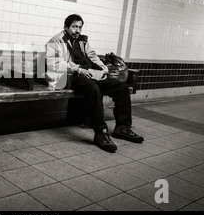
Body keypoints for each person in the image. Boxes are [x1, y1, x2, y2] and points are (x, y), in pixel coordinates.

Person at [45, 14, 144, 153]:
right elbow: (55, 63)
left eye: (80, 27)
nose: (77, 30)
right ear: (66, 27)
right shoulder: (56, 41)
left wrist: (102, 67)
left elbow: (92, 56)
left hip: (89, 73)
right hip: (69, 77)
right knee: (94, 89)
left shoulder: (82, 41)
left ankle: (123, 127)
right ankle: (101, 133)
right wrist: (78, 69)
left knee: (122, 87)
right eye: (74, 27)